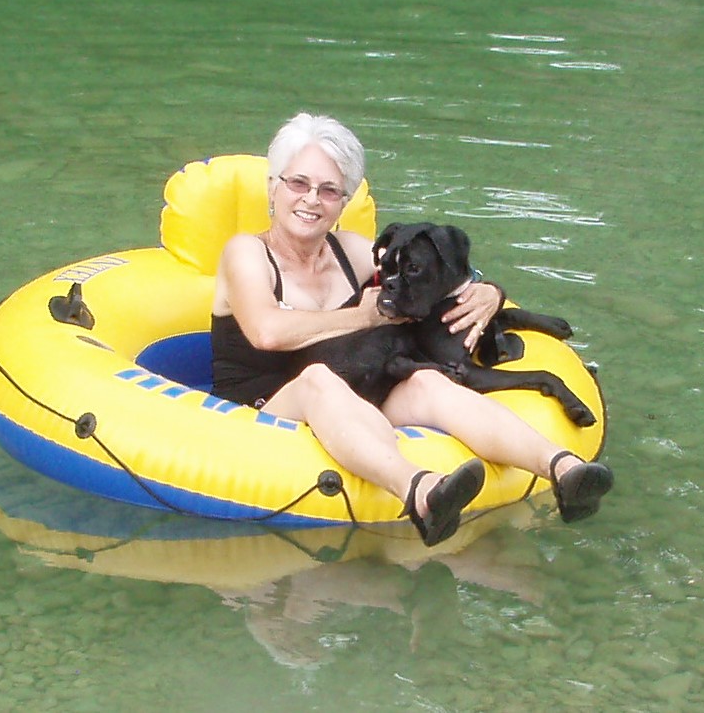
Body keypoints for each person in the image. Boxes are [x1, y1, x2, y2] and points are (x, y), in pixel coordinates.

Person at [210, 112, 613, 546]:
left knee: (428, 382)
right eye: (298, 183)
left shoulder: (352, 252)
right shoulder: (246, 252)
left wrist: (487, 291)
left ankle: (565, 470)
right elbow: (267, 332)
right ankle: (421, 493)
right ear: (273, 186)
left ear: (343, 202)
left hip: (354, 395)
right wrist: (363, 316)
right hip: (264, 404)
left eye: (329, 190)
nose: (312, 200)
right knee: (317, 380)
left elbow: (433, 276)